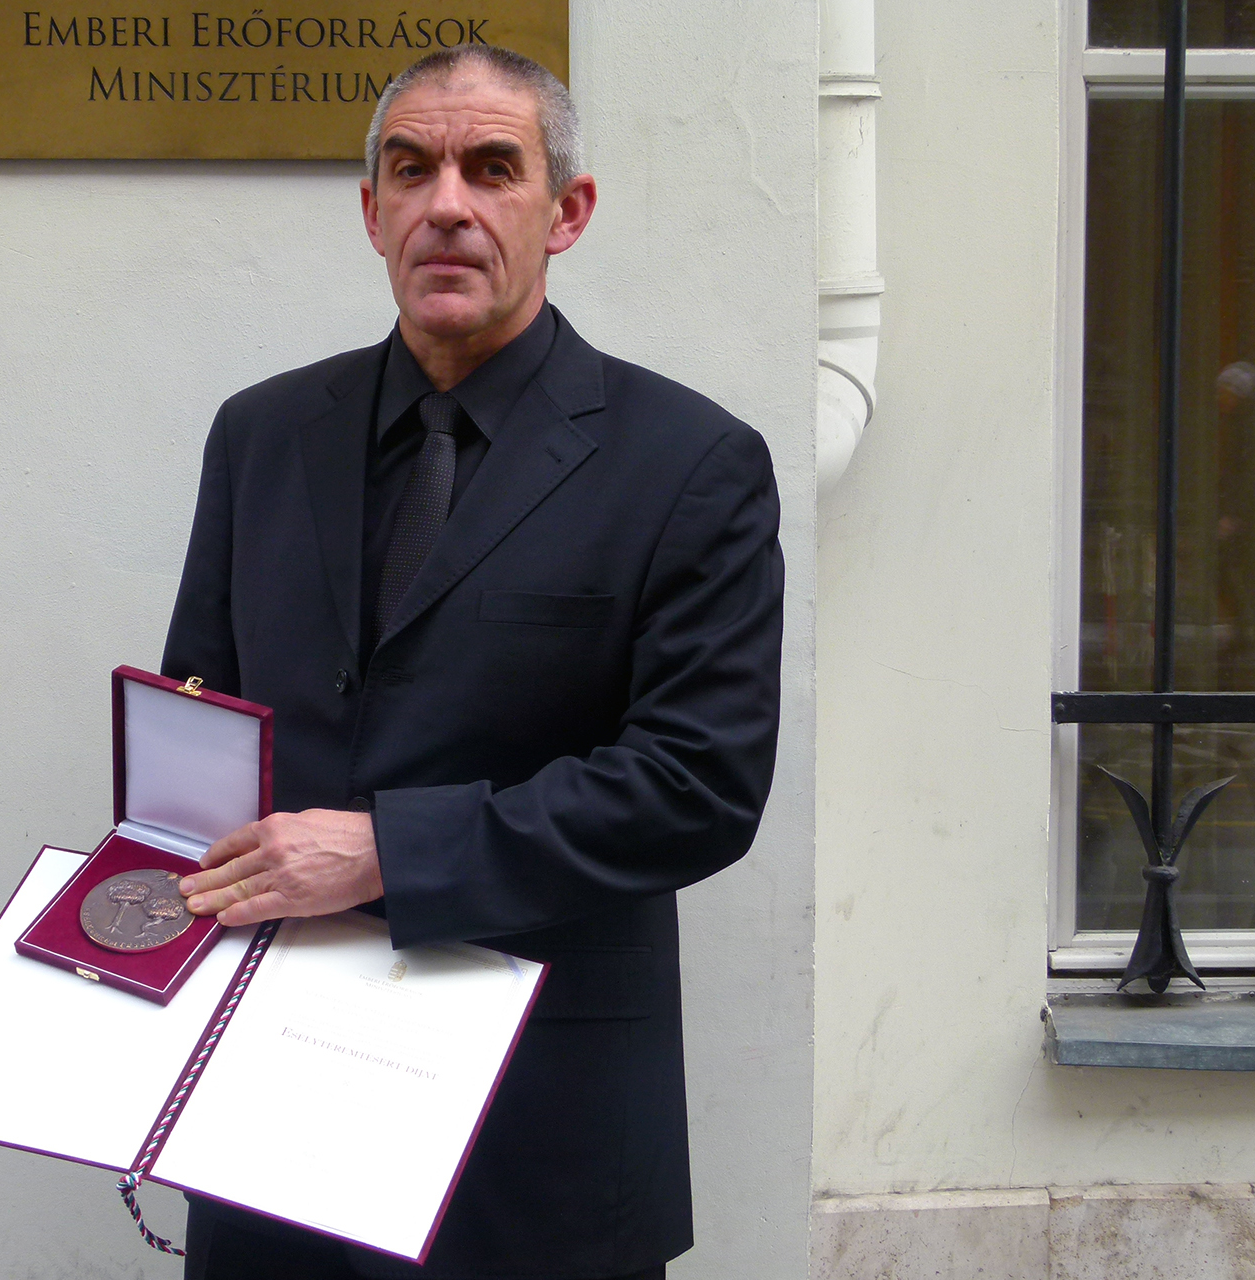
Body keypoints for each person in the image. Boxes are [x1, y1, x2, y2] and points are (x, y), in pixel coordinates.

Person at [162, 44, 783, 1280]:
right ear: (372, 211)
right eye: (412, 169)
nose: (446, 204)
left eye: (492, 168)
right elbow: (203, 720)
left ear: (567, 212)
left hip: (533, 1145)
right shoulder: (262, 433)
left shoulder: (689, 462)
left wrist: (388, 851)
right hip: (269, 1123)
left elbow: (695, 785)